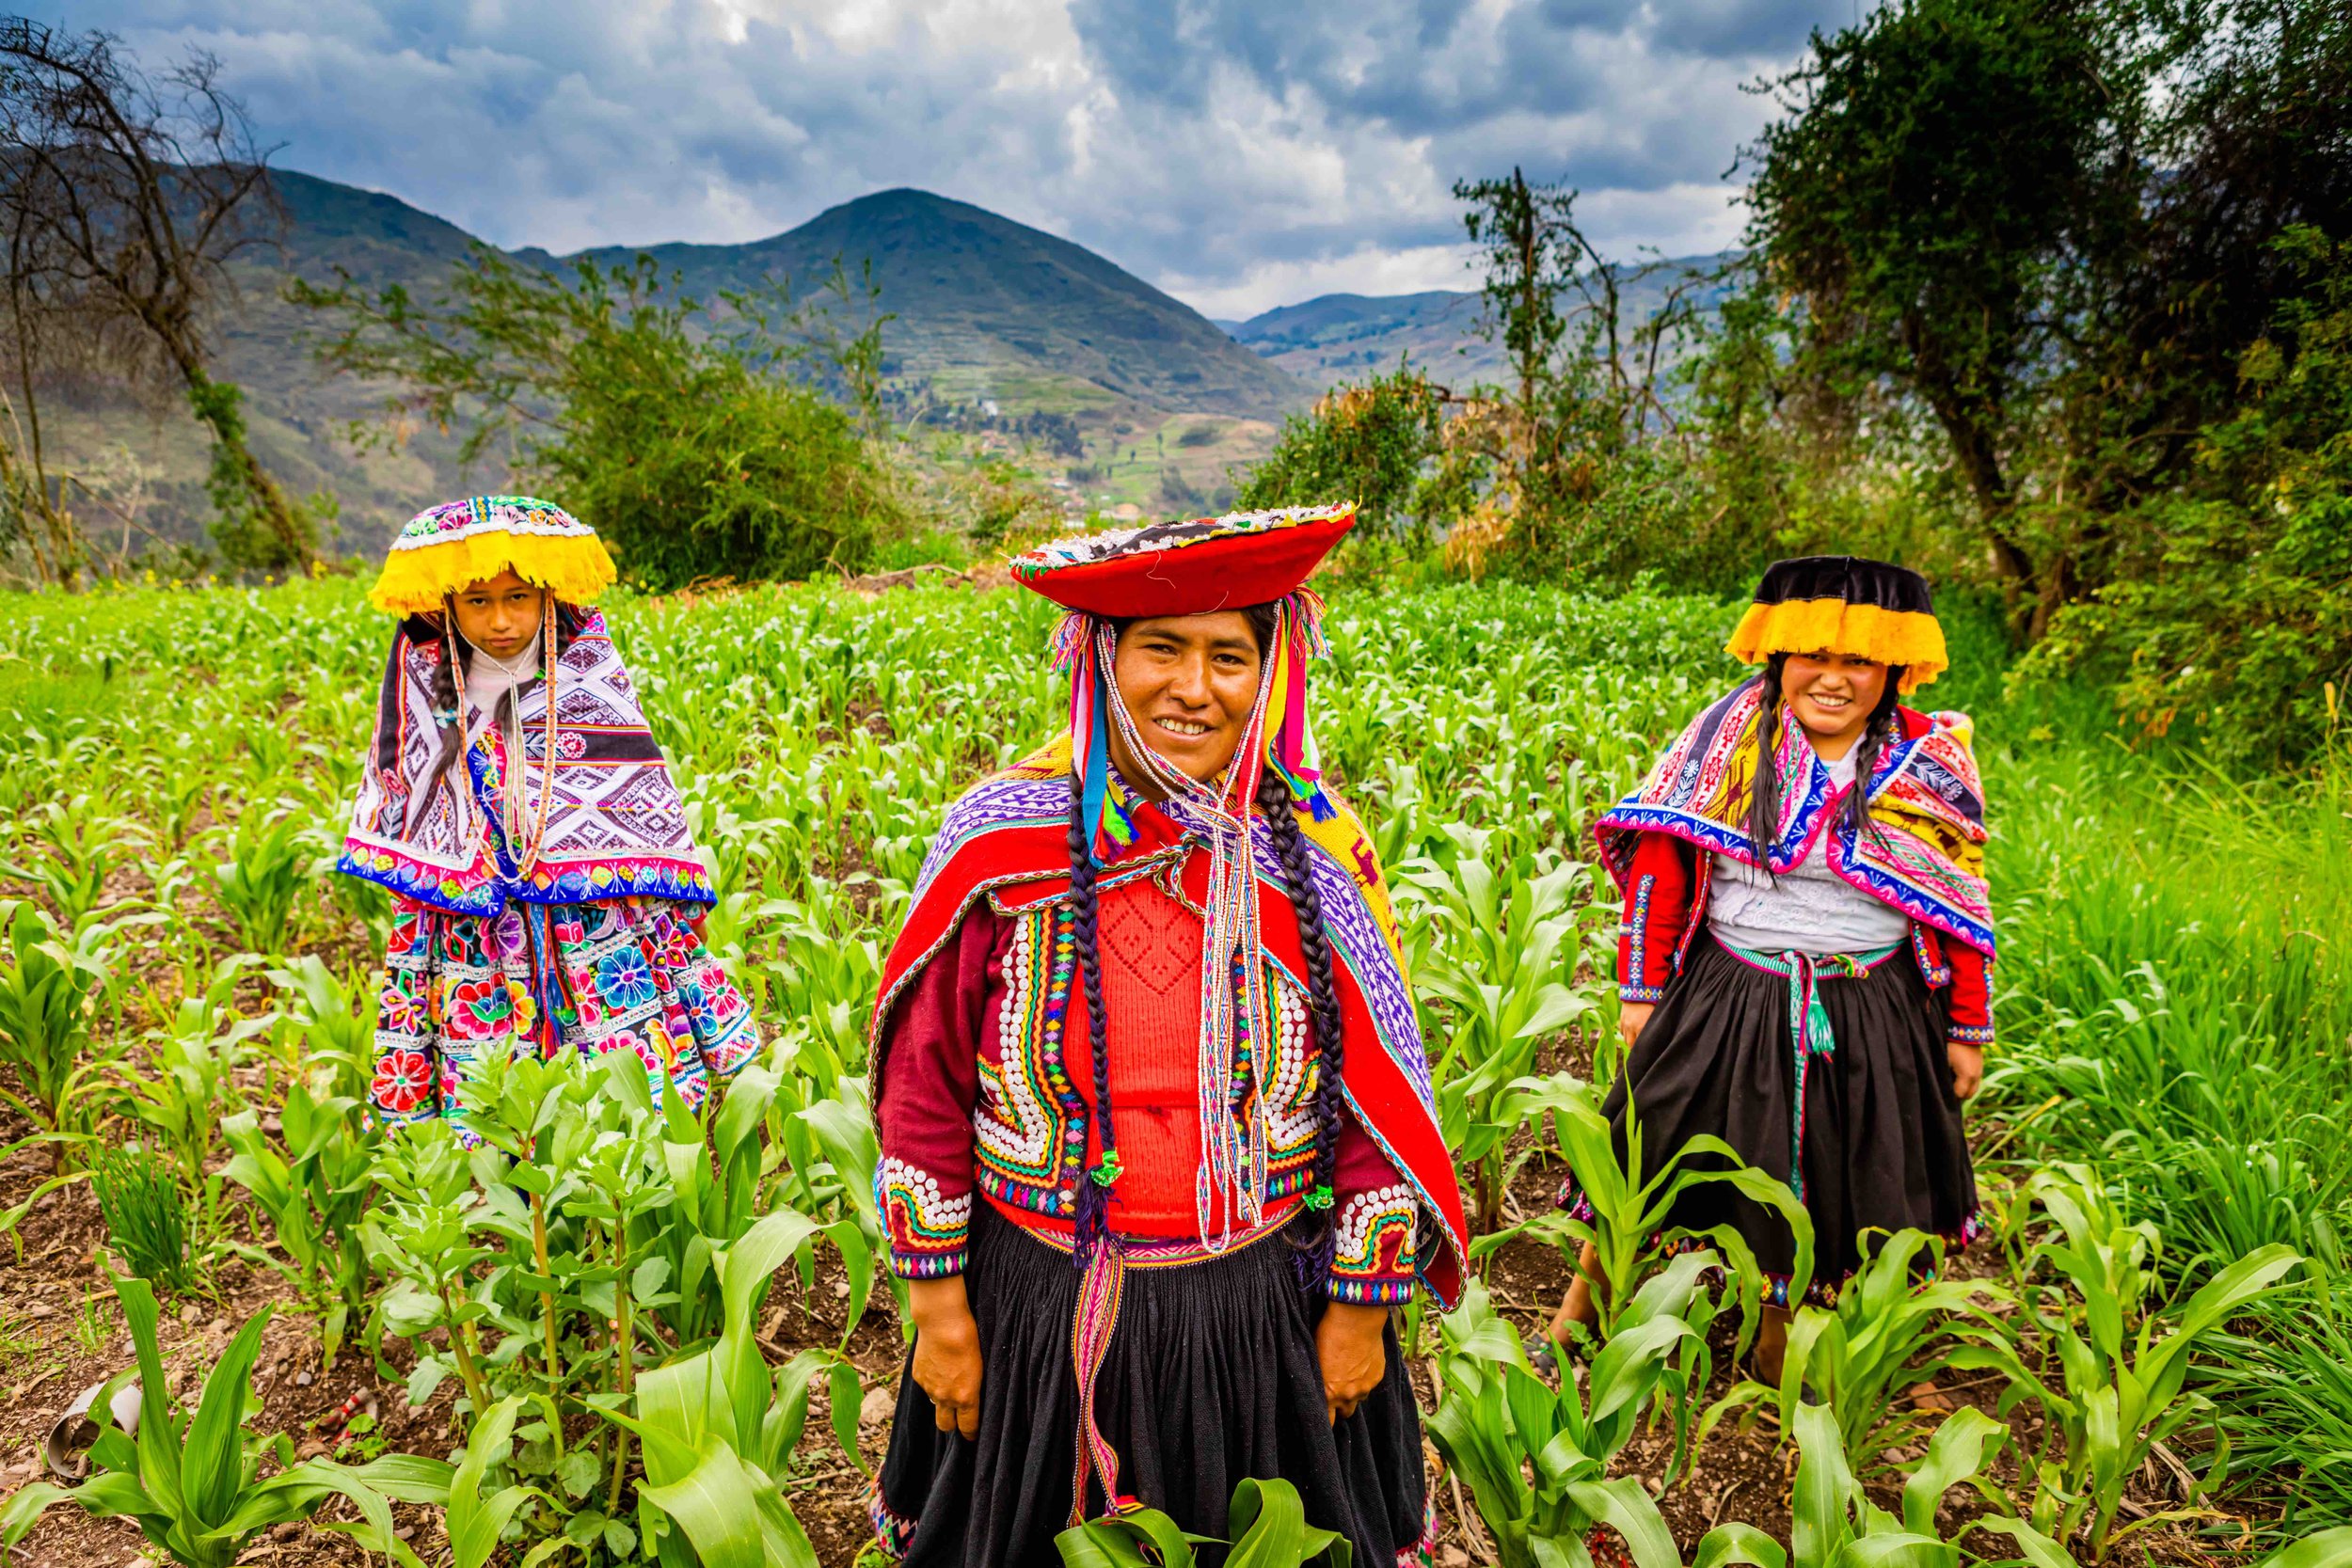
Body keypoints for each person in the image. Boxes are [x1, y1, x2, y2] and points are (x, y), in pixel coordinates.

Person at [866, 504, 1468, 1567]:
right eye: (1162, 647)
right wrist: (939, 1307)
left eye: (1229, 654)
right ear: (1101, 656)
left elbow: (1370, 1094)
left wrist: (1363, 1308)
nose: (1195, 686)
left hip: (1259, 1303)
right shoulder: (1000, 843)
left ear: (1270, 673)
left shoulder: (1310, 858)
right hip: (1039, 1305)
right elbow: (923, 1087)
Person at [1551, 556, 1993, 1382]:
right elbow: (1660, 868)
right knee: (1650, 1148)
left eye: (1857, 660)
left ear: (1893, 666)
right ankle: (1581, 1308)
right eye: (1811, 657)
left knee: (1838, 1171)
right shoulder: (1727, 740)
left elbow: (1958, 898)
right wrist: (1643, 991)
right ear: (1777, 657)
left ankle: (1777, 1337)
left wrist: (1966, 1027)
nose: (1832, 679)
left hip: (1871, 1004)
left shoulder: (1932, 762)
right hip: (1730, 991)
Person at [339, 496, 759, 1137]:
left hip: (588, 907)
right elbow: (414, 788)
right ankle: (506, 1155)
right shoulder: (430, 678)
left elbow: (624, 783)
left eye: (518, 598)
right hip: (473, 910)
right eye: (478, 601)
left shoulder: (584, 670)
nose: (501, 620)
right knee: (498, 1085)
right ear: (447, 604)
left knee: (616, 1074)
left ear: (546, 597)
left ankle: (624, 1141)